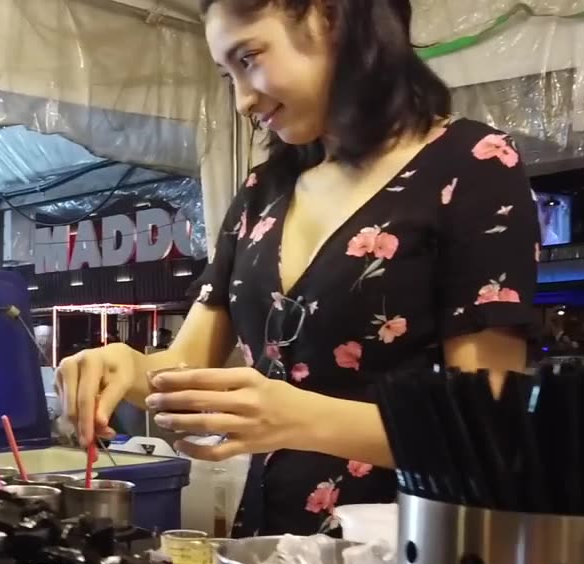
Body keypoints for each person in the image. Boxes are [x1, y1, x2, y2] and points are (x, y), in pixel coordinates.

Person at [56, 0, 539, 536]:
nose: (241, 100)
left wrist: (296, 417)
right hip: (272, 547)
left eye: (250, 57)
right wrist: (124, 365)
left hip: (411, 554)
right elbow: (186, 369)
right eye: (227, 74)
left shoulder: (472, 162)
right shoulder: (262, 193)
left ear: (329, 17)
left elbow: (485, 426)